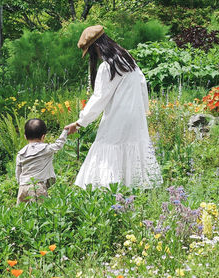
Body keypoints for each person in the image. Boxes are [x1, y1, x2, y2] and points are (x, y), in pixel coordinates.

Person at [65, 25, 162, 189]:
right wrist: (143, 109)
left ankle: (107, 189)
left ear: (96, 46)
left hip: (119, 115)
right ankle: (136, 185)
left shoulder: (107, 66)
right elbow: (142, 84)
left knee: (108, 145)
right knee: (133, 145)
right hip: (135, 115)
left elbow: (99, 98)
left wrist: (80, 122)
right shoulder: (128, 60)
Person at [15, 118, 69, 204]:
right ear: (43, 136)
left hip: (23, 187)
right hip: (37, 187)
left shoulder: (21, 154)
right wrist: (65, 131)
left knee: (22, 212)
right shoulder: (46, 149)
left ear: (25, 136)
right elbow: (59, 144)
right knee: (41, 212)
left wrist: (21, 183)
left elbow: (18, 172)